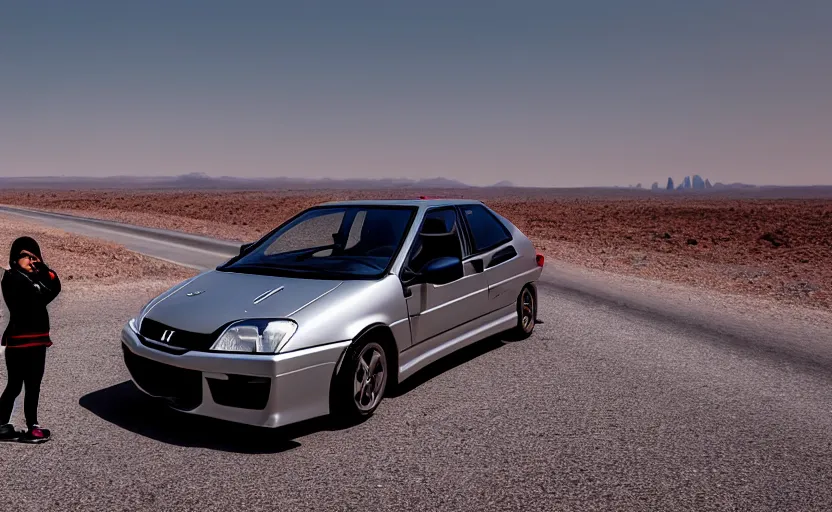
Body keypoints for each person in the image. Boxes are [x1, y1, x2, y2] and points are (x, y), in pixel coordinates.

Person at [0, 236, 61, 443]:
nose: (29, 260)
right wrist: (41, 275)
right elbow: (40, 294)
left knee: (33, 385)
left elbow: (55, 287)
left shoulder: (35, 279)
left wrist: (42, 269)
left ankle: (31, 425)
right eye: (24, 256)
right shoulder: (11, 278)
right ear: (15, 259)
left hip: (38, 341)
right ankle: (9, 426)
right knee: (16, 385)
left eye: (33, 256)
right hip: (19, 341)